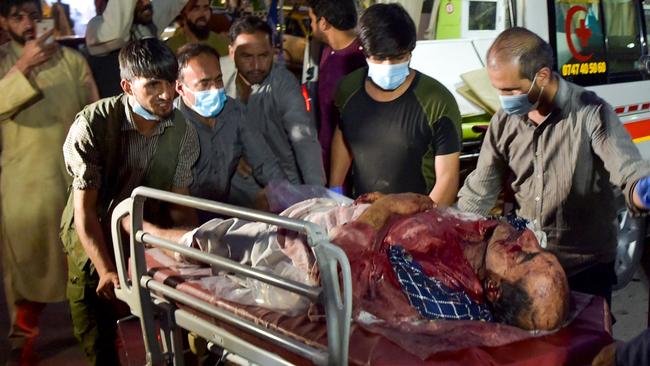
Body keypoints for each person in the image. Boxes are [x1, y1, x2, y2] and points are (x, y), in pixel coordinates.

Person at [137, 193, 569, 331]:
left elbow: (334, 274)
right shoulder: (499, 241)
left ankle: (146, 234)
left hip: (304, 247)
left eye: (524, 255)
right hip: (337, 213)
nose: (525, 241)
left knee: (210, 245)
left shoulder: (440, 295)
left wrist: (384, 211)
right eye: (535, 247)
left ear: (493, 290)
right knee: (224, 233)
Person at [457, 27, 650, 306]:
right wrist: (453, 231)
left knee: (588, 344)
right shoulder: (504, 122)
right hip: (528, 265)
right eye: (498, 90)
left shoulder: (591, 113)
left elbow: (629, 172)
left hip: (585, 268)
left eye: (511, 90)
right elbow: (480, 189)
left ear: (542, 77)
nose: (504, 99)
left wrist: (641, 190)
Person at [61, 38, 199, 365]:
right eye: (153, 85)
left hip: (145, 237)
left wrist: (187, 249)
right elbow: (84, 212)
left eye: (170, 82)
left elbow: (181, 205)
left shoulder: (182, 131)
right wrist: (106, 269)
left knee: (176, 333)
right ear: (127, 85)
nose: (167, 94)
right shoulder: (92, 125)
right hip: (91, 239)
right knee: (97, 336)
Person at [0, 0, 98, 363]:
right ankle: (22, 340)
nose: (27, 24)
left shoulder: (72, 62)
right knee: (25, 267)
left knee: (84, 265)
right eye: (17, 17)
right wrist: (23, 66)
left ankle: (97, 338)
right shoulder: (3, 64)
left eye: (32, 15)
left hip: (73, 183)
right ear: (3, 22)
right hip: (25, 185)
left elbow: (94, 114)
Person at [329, 3, 461, 205]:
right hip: (363, 212)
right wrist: (335, 192)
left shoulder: (437, 100)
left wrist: (424, 222)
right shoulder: (348, 89)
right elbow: (344, 134)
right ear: (363, 51)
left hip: (419, 218)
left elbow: (448, 178)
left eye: (399, 57)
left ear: (410, 52)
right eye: (380, 58)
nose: (389, 66)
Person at [221, 15, 326, 208]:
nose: (256, 65)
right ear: (231, 52)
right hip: (236, 192)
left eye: (263, 56)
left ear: (273, 52)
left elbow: (304, 140)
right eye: (247, 56)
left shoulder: (283, 84)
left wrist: (318, 195)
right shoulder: (217, 80)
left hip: (287, 186)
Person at [174, 43, 287, 218]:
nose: (215, 89)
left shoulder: (234, 111)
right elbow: (179, 202)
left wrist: (285, 198)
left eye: (218, 80)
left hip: (224, 207)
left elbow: (265, 163)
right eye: (204, 83)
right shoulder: (172, 127)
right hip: (186, 215)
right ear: (181, 88)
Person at [307, 0, 366, 176]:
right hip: (323, 159)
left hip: (344, 171)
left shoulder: (357, 61)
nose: (310, 25)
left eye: (311, 20)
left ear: (323, 23)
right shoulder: (327, 50)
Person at [85, 0, 187, 97]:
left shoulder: (145, 26)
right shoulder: (95, 27)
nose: (147, 2)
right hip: (117, 112)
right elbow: (117, 33)